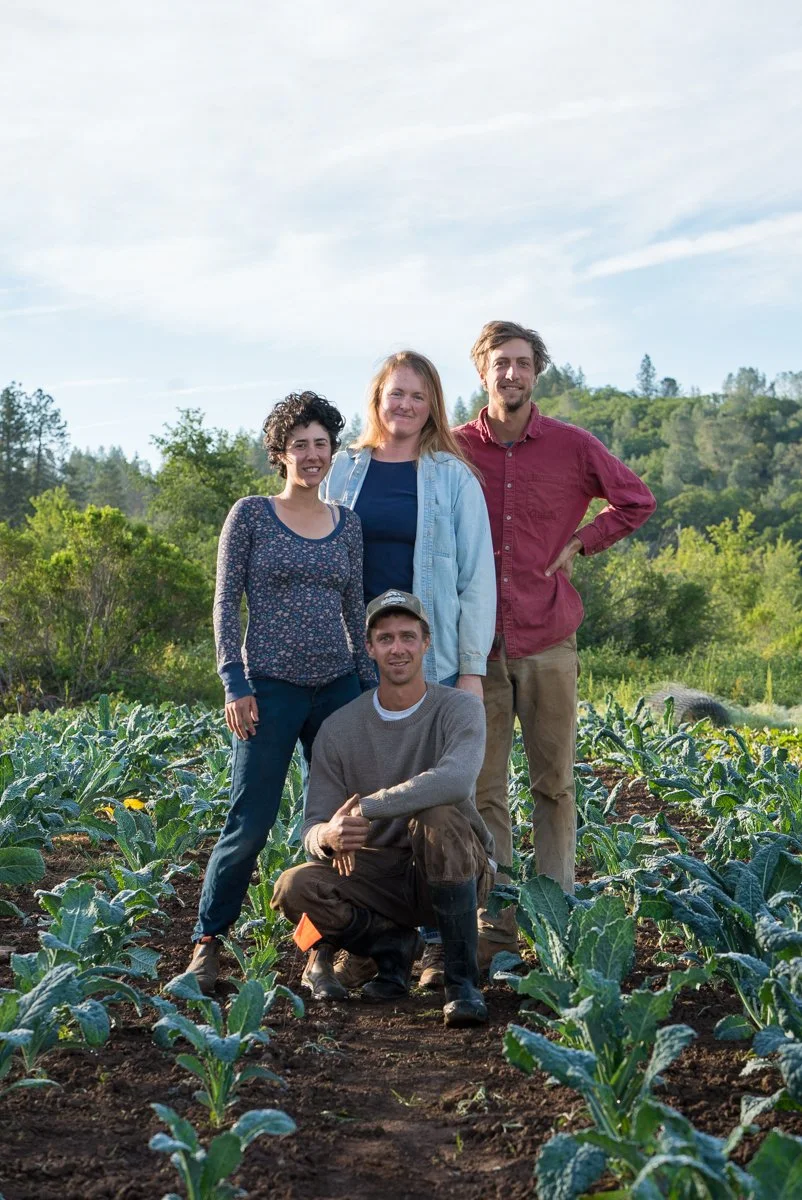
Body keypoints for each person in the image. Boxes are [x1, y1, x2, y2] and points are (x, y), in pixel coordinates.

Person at [455, 321, 656, 963]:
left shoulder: (572, 445)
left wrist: (583, 542)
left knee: (555, 783)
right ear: (481, 371)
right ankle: (497, 924)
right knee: (484, 788)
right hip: (476, 646)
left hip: (548, 638)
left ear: (536, 372)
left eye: (521, 363)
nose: (510, 374)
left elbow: (636, 501)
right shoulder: (454, 450)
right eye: (499, 363)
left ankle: (556, 917)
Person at [186, 391, 376, 992]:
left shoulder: (348, 524)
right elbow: (224, 604)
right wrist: (234, 682)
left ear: (332, 451)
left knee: (335, 827)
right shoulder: (250, 515)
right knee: (251, 820)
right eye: (301, 445)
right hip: (268, 690)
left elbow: (355, 611)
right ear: (280, 453)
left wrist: (369, 694)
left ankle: (318, 952)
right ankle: (206, 946)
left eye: (322, 444)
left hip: (338, 690)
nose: (313, 455)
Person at [322, 350, 496, 987]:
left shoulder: (453, 477)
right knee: (352, 793)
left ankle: (434, 944)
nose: (404, 406)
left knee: (431, 799)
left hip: (434, 656)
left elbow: (478, 580)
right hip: (354, 656)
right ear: (377, 399)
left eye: (417, 397)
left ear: (433, 406)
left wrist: (471, 669)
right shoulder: (343, 470)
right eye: (395, 394)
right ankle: (370, 936)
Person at [271, 590, 495, 1028]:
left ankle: (461, 981)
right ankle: (389, 946)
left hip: (454, 869)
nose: (398, 648)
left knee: (437, 812)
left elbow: (455, 781)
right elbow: (313, 825)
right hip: (376, 880)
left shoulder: (460, 708)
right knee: (292, 887)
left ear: (426, 643)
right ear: (369, 647)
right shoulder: (338, 729)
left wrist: (369, 808)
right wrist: (328, 837)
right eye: (386, 638)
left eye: (408, 637)